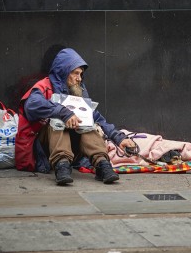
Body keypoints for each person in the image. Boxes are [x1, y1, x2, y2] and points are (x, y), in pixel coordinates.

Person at [15, 48, 136, 185]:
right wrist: (64, 113)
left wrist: (118, 138)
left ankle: (102, 164)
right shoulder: (44, 85)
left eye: (81, 74)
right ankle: (61, 166)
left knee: (87, 122)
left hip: (72, 149)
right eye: (75, 73)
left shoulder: (77, 90)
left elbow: (94, 116)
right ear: (63, 72)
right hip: (45, 148)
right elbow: (32, 105)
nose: (79, 78)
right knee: (58, 121)